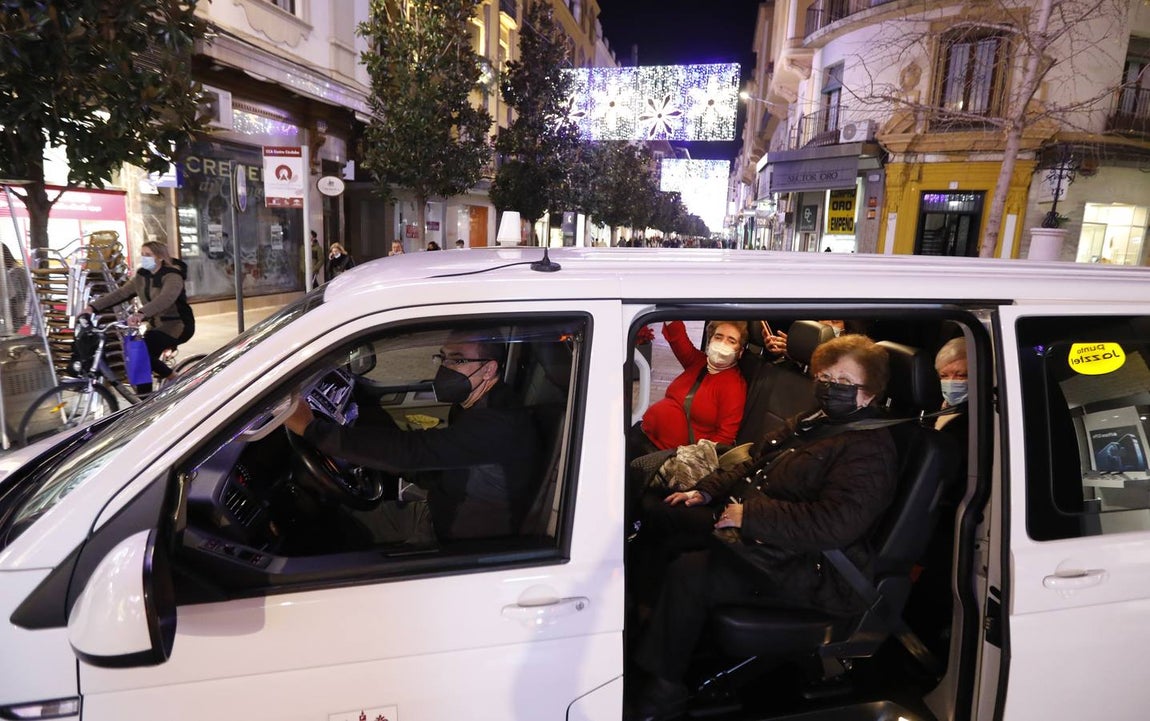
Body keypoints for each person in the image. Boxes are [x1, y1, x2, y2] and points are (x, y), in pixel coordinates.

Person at [628, 334, 897, 721]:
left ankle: (664, 687)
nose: (828, 388)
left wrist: (750, 515)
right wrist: (705, 492)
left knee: (690, 572)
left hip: (814, 567)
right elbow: (753, 459)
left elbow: (835, 524)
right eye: (824, 377)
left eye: (842, 382)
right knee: (665, 514)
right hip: (768, 535)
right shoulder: (813, 420)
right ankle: (652, 624)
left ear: (869, 395)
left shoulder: (869, 448)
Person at [283, 333, 541, 541]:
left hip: (456, 543)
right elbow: (434, 463)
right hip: (438, 510)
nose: (445, 367)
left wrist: (312, 429)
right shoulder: (474, 404)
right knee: (338, 522)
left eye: (457, 360)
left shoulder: (498, 424)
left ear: (488, 369)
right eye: (443, 358)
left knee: (332, 542)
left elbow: (413, 452)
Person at [84, 241, 195, 393]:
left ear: (160, 257)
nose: (144, 258)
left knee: (143, 352)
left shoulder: (172, 276)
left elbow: (165, 299)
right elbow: (121, 294)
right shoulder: (142, 276)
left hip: (178, 325)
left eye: (148, 255)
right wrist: (92, 307)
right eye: (143, 254)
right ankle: (145, 402)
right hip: (156, 325)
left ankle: (174, 377)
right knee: (142, 363)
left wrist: (141, 313)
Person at [634, 321, 748, 453]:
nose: (722, 344)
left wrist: (695, 458)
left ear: (739, 352)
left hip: (670, 456)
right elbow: (678, 339)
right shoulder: (698, 362)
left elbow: (725, 436)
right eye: (718, 337)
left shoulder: (733, 386)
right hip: (646, 434)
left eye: (731, 340)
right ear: (710, 340)